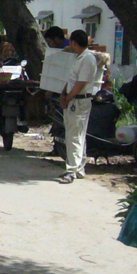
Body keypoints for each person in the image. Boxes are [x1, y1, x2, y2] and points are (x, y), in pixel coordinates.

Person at [58, 29, 98, 184]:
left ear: (74, 42)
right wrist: (63, 93)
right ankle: (79, 168)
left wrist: (68, 97)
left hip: (79, 101)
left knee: (75, 135)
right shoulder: (78, 58)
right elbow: (72, 79)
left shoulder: (88, 59)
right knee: (75, 134)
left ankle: (71, 170)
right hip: (73, 99)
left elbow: (80, 84)